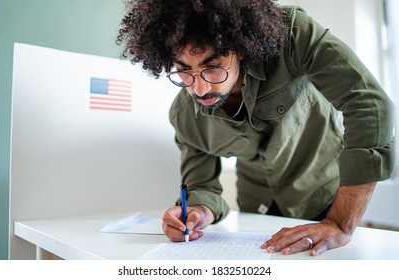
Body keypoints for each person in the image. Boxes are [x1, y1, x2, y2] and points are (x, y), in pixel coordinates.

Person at [117, 0, 395, 256]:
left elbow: (369, 103)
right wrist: (199, 211)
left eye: (213, 67)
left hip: (326, 199)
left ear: (241, 48)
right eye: (184, 71)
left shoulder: (291, 36)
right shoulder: (184, 115)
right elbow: (202, 185)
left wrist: (340, 222)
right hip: (257, 209)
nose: (200, 89)